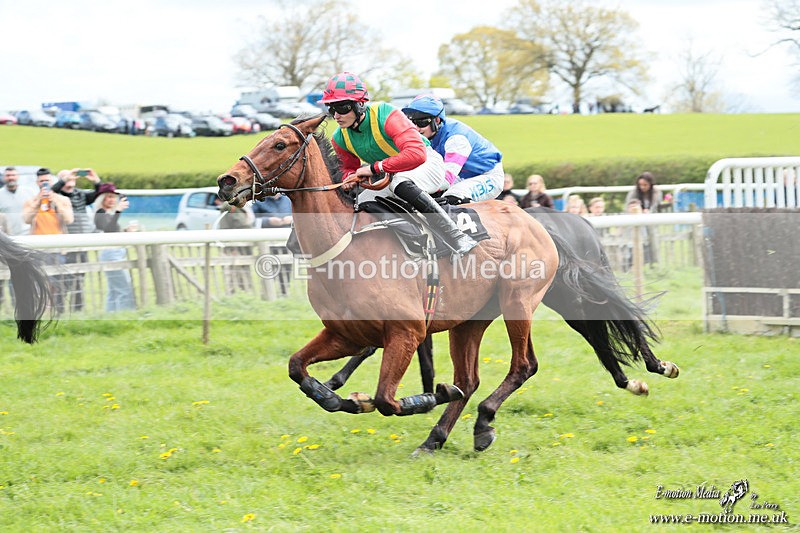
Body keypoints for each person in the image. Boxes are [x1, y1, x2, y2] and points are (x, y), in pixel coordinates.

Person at [320, 72, 477, 256]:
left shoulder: (385, 113)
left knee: (399, 182)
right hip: (392, 175)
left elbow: (416, 154)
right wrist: (349, 178)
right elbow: (348, 169)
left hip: (427, 165)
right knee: (363, 201)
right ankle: (406, 245)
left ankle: (455, 235)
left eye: (343, 107)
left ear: (360, 104)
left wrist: (374, 168)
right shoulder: (339, 138)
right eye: (331, 109)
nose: (337, 115)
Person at [400, 94, 504, 204]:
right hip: (460, 176)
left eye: (422, 122)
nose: (416, 128)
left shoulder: (456, 139)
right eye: (412, 122)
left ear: (437, 120)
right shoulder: (427, 135)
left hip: (487, 176)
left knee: (453, 197)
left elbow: (446, 180)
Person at [22, 168, 74, 313]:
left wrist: (55, 203)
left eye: (47, 181)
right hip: (38, 248)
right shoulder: (30, 201)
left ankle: (58, 311)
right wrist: (38, 202)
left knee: (58, 283)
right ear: (37, 183)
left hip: (58, 248)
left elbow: (69, 219)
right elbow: (26, 219)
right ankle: (43, 311)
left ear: (52, 182)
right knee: (40, 283)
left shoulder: (63, 199)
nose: (44, 184)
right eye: (42, 181)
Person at [53, 167, 104, 312]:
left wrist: (96, 181)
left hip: (81, 243)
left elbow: (99, 195)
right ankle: (60, 309)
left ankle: (78, 309)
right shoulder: (56, 196)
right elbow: (51, 191)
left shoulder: (80, 194)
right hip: (65, 244)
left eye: (71, 177)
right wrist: (65, 178)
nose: (70, 179)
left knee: (79, 278)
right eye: (65, 177)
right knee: (64, 279)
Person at [93, 183, 136, 311]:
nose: (112, 200)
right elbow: (108, 229)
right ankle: (126, 314)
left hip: (114, 252)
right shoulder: (100, 213)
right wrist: (118, 211)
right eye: (109, 197)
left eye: (114, 197)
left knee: (114, 290)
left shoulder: (107, 214)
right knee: (124, 288)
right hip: (112, 254)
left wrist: (125, 231)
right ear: (102, 199)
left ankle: (111, 316)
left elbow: (111, 229)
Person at [0, 167, 36, 236]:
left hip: (28, 234)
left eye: (13, 175)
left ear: (18, 176)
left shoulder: (29, 192)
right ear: (3, 177)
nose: (11, 178)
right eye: (8, 175)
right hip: (8, 236)